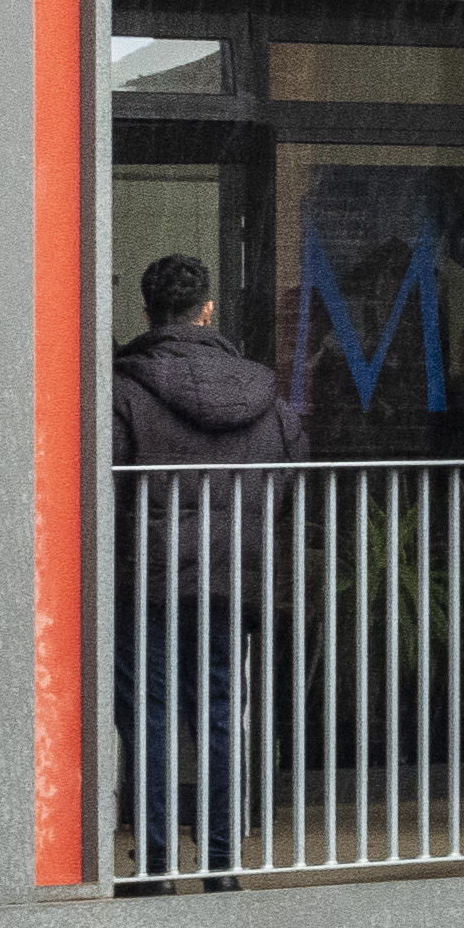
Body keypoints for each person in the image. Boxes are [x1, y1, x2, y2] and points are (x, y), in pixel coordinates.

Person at [104, 250, 306, 882]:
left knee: (149, 716)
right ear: (207, 309)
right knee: (220, 712)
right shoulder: (262, 391)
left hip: (150, 581)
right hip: (230, 577)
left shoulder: (125, 388)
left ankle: (157, 861)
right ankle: (222, 861)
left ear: (147, 311)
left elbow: (105, 485)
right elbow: (290, 468)